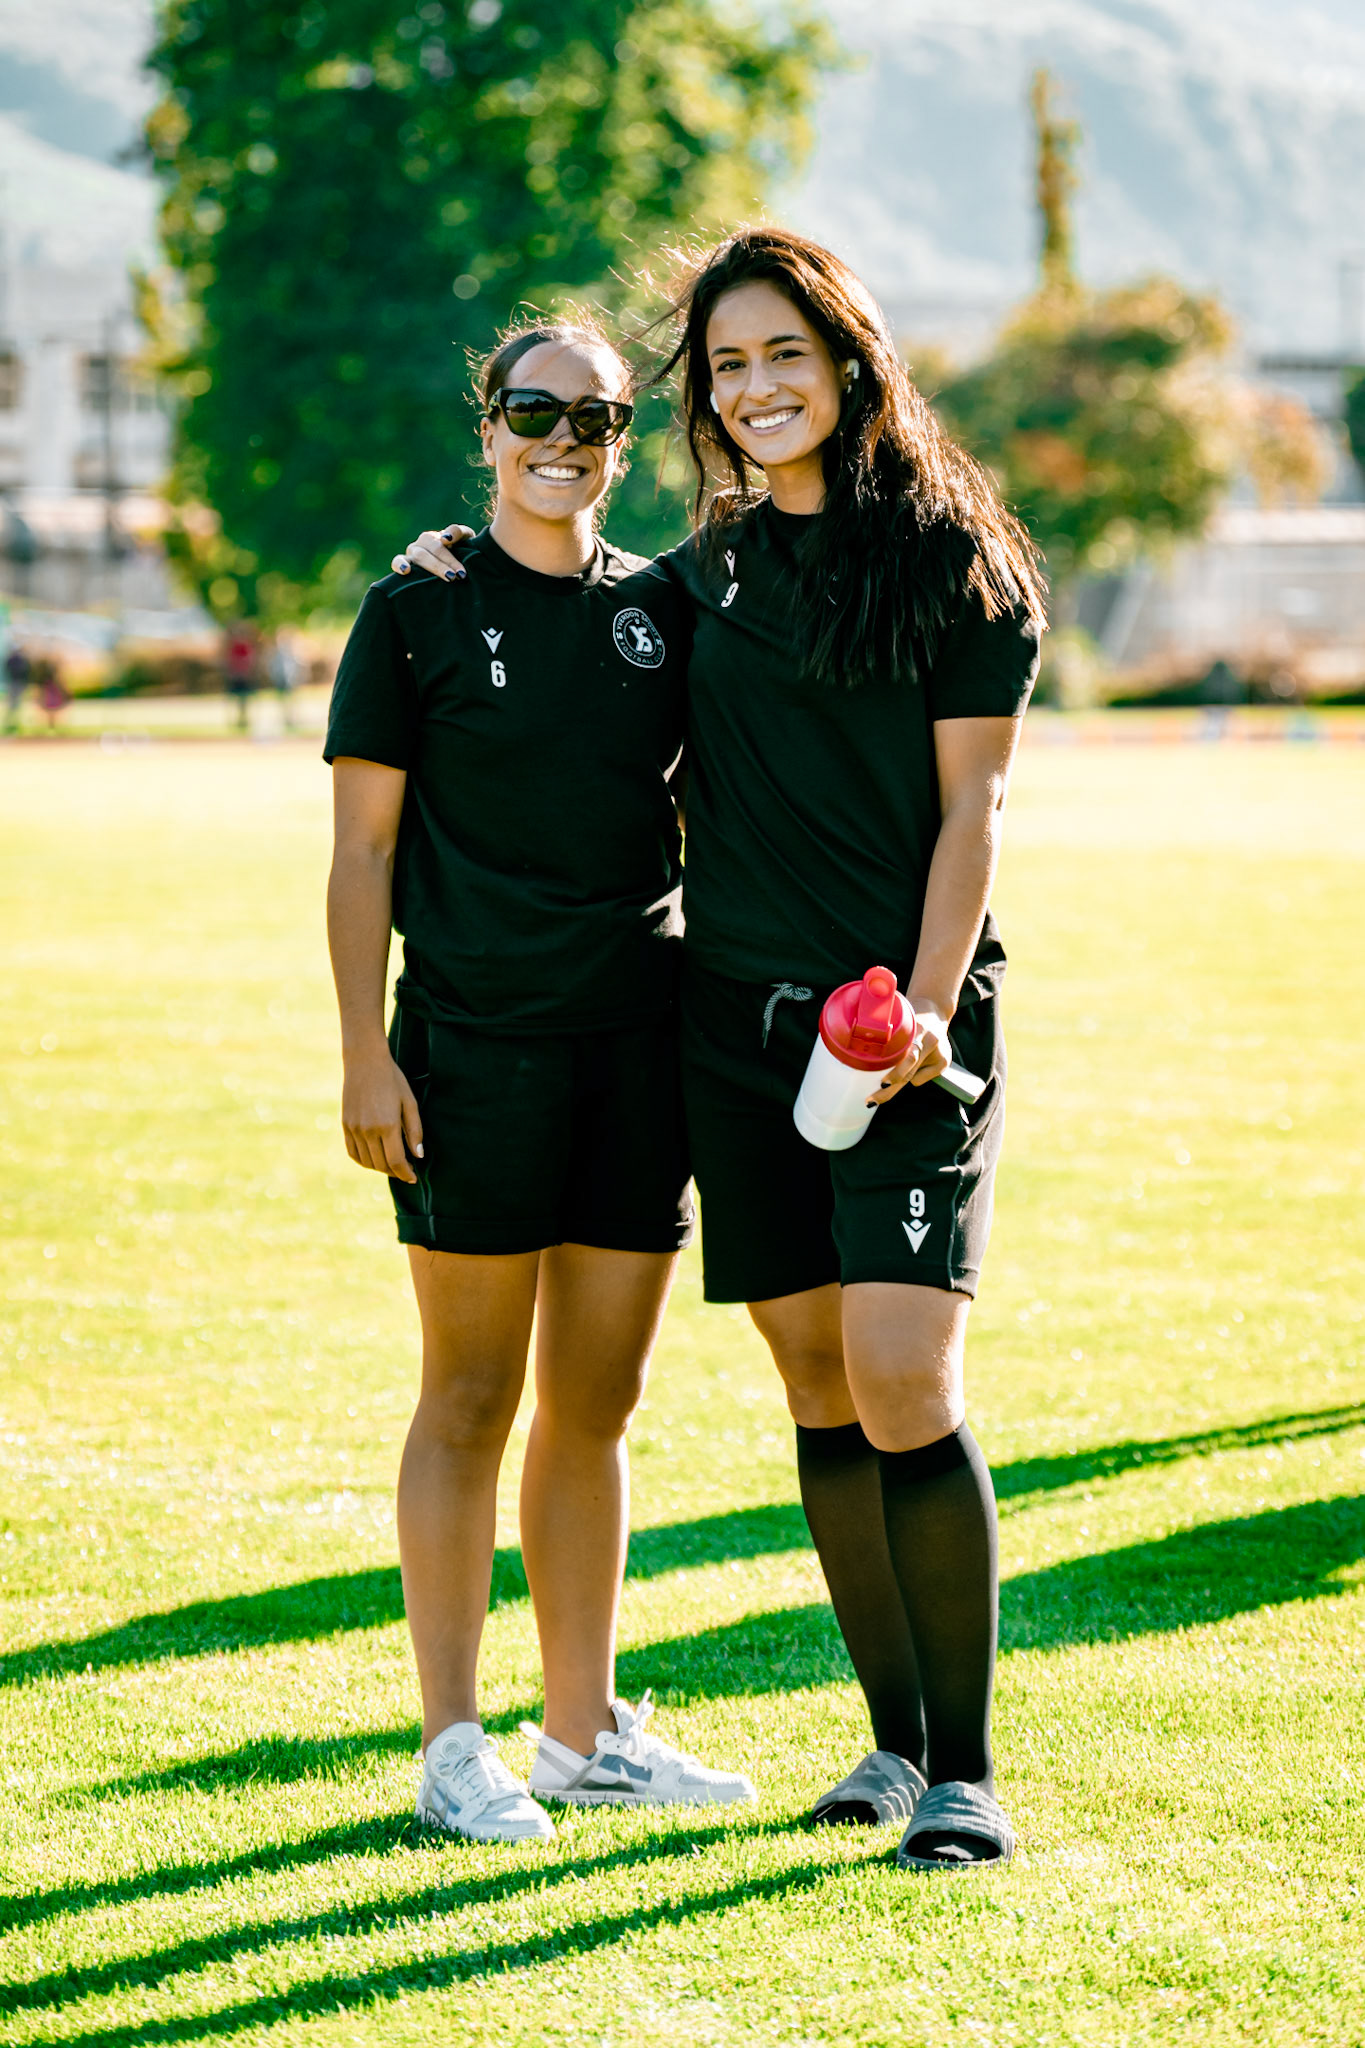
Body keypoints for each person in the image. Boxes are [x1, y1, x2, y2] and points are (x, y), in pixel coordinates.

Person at [397, 229, 1047, 1871]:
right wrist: (456, 565)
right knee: (816, 1378)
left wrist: (919, 1005)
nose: (756, 390)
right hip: (734, 1038)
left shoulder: (958, 564)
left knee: (903, 1375)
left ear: (849, 363)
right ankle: (890, 1748)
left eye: (783, 356)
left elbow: (972, 811)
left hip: (909, 1041)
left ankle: (965, 1773)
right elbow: (566, 626)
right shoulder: (704, 578)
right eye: (727, 366)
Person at [325, 316, 754, 1845]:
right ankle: (453, 1745)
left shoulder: (662, 607)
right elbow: (362, 852)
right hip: (469, 1054)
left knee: (597, 1405)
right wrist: (363, 1050)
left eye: (596, 418)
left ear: (623, 441)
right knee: (466, 1398)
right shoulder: (414, 610)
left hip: (637, 1053)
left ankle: (579, 1736)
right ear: (487, 428)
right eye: (533, 411)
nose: (562, 440)